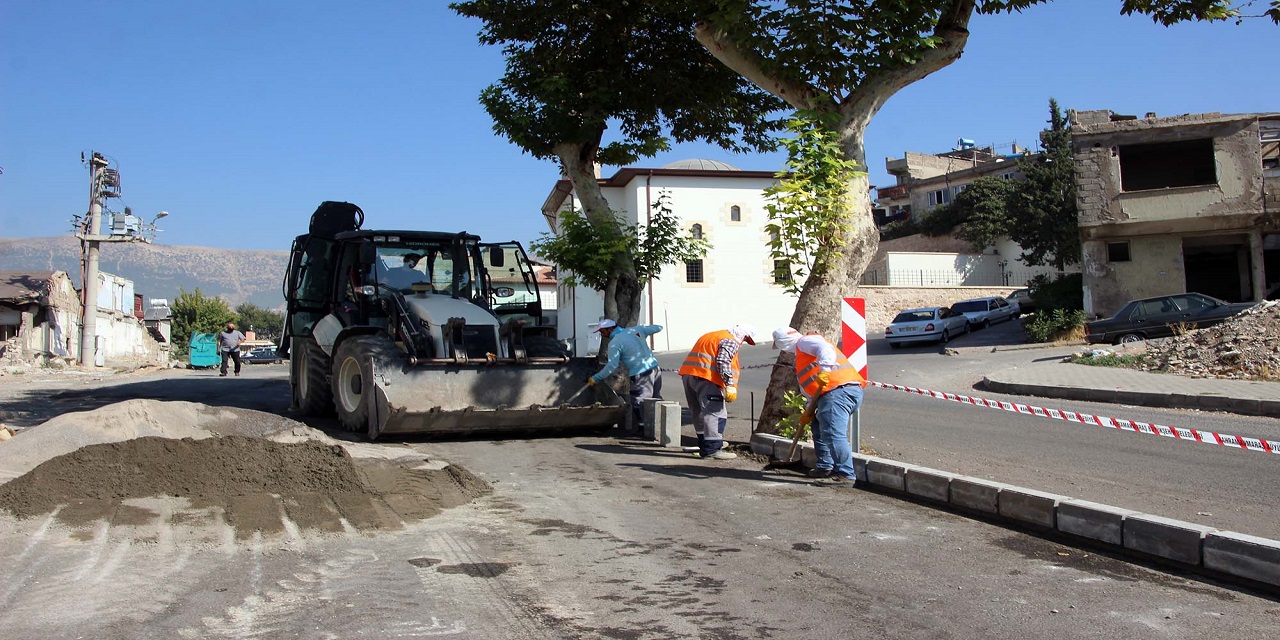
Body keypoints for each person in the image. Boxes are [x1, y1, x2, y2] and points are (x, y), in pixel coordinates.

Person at [771, 327, 867, 487]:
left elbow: (825, 349)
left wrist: (825, 370)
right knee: (817, 427)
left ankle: (845, 475)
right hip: (829, 395)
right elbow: (810, 388)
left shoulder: (805, 342)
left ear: (783, 342)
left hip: (838, 391)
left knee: (832, 433)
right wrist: (809, 410)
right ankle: (825, 466)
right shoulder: (801, 355)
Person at [678, 323, 759, 460]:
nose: (743, 342)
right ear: (743, 335)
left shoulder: (711, 335)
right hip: (708, 379)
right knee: (715, 413)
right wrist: (729, 384)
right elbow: (723, 360)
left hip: (689, 375)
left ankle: (705, 444)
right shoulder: (731, 341)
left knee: (698, 412)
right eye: (746, 339)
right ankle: (712, 449)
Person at [587, 319, 663, 433]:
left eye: (602, 332)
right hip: (655, 370)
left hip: (640, 374)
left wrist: (595, 378)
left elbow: (611, 366)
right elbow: (659, 327)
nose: (602, 335)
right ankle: (660, 429)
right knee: (656, 399)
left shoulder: (615, 342)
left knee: (640, 404)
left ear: (610, 329)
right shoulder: (636, 330)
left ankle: (644, 431)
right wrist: (642, 332)